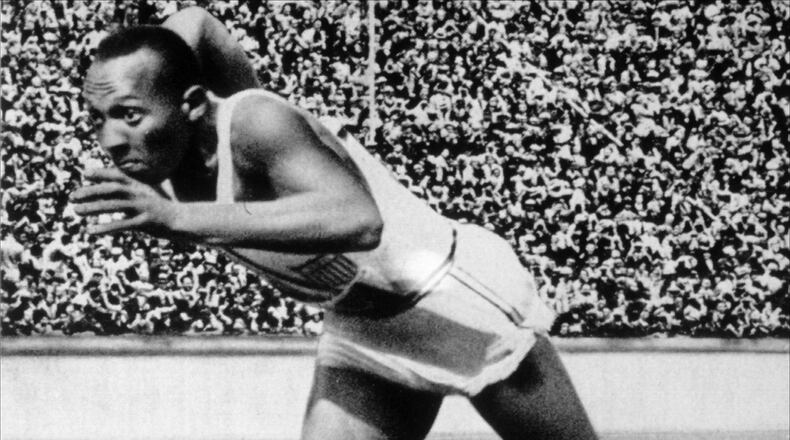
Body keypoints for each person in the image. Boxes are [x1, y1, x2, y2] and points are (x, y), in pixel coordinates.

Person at [70, 7, 597, 440]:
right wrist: (150, 66)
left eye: (130, 114)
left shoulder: (255, 125)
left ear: (187, 103)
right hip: (360, 333)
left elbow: (360, 221)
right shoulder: (161, 158)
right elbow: (196, 24)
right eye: (99, 118)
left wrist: (181, 216)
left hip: (451, 304)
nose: (111, 139)